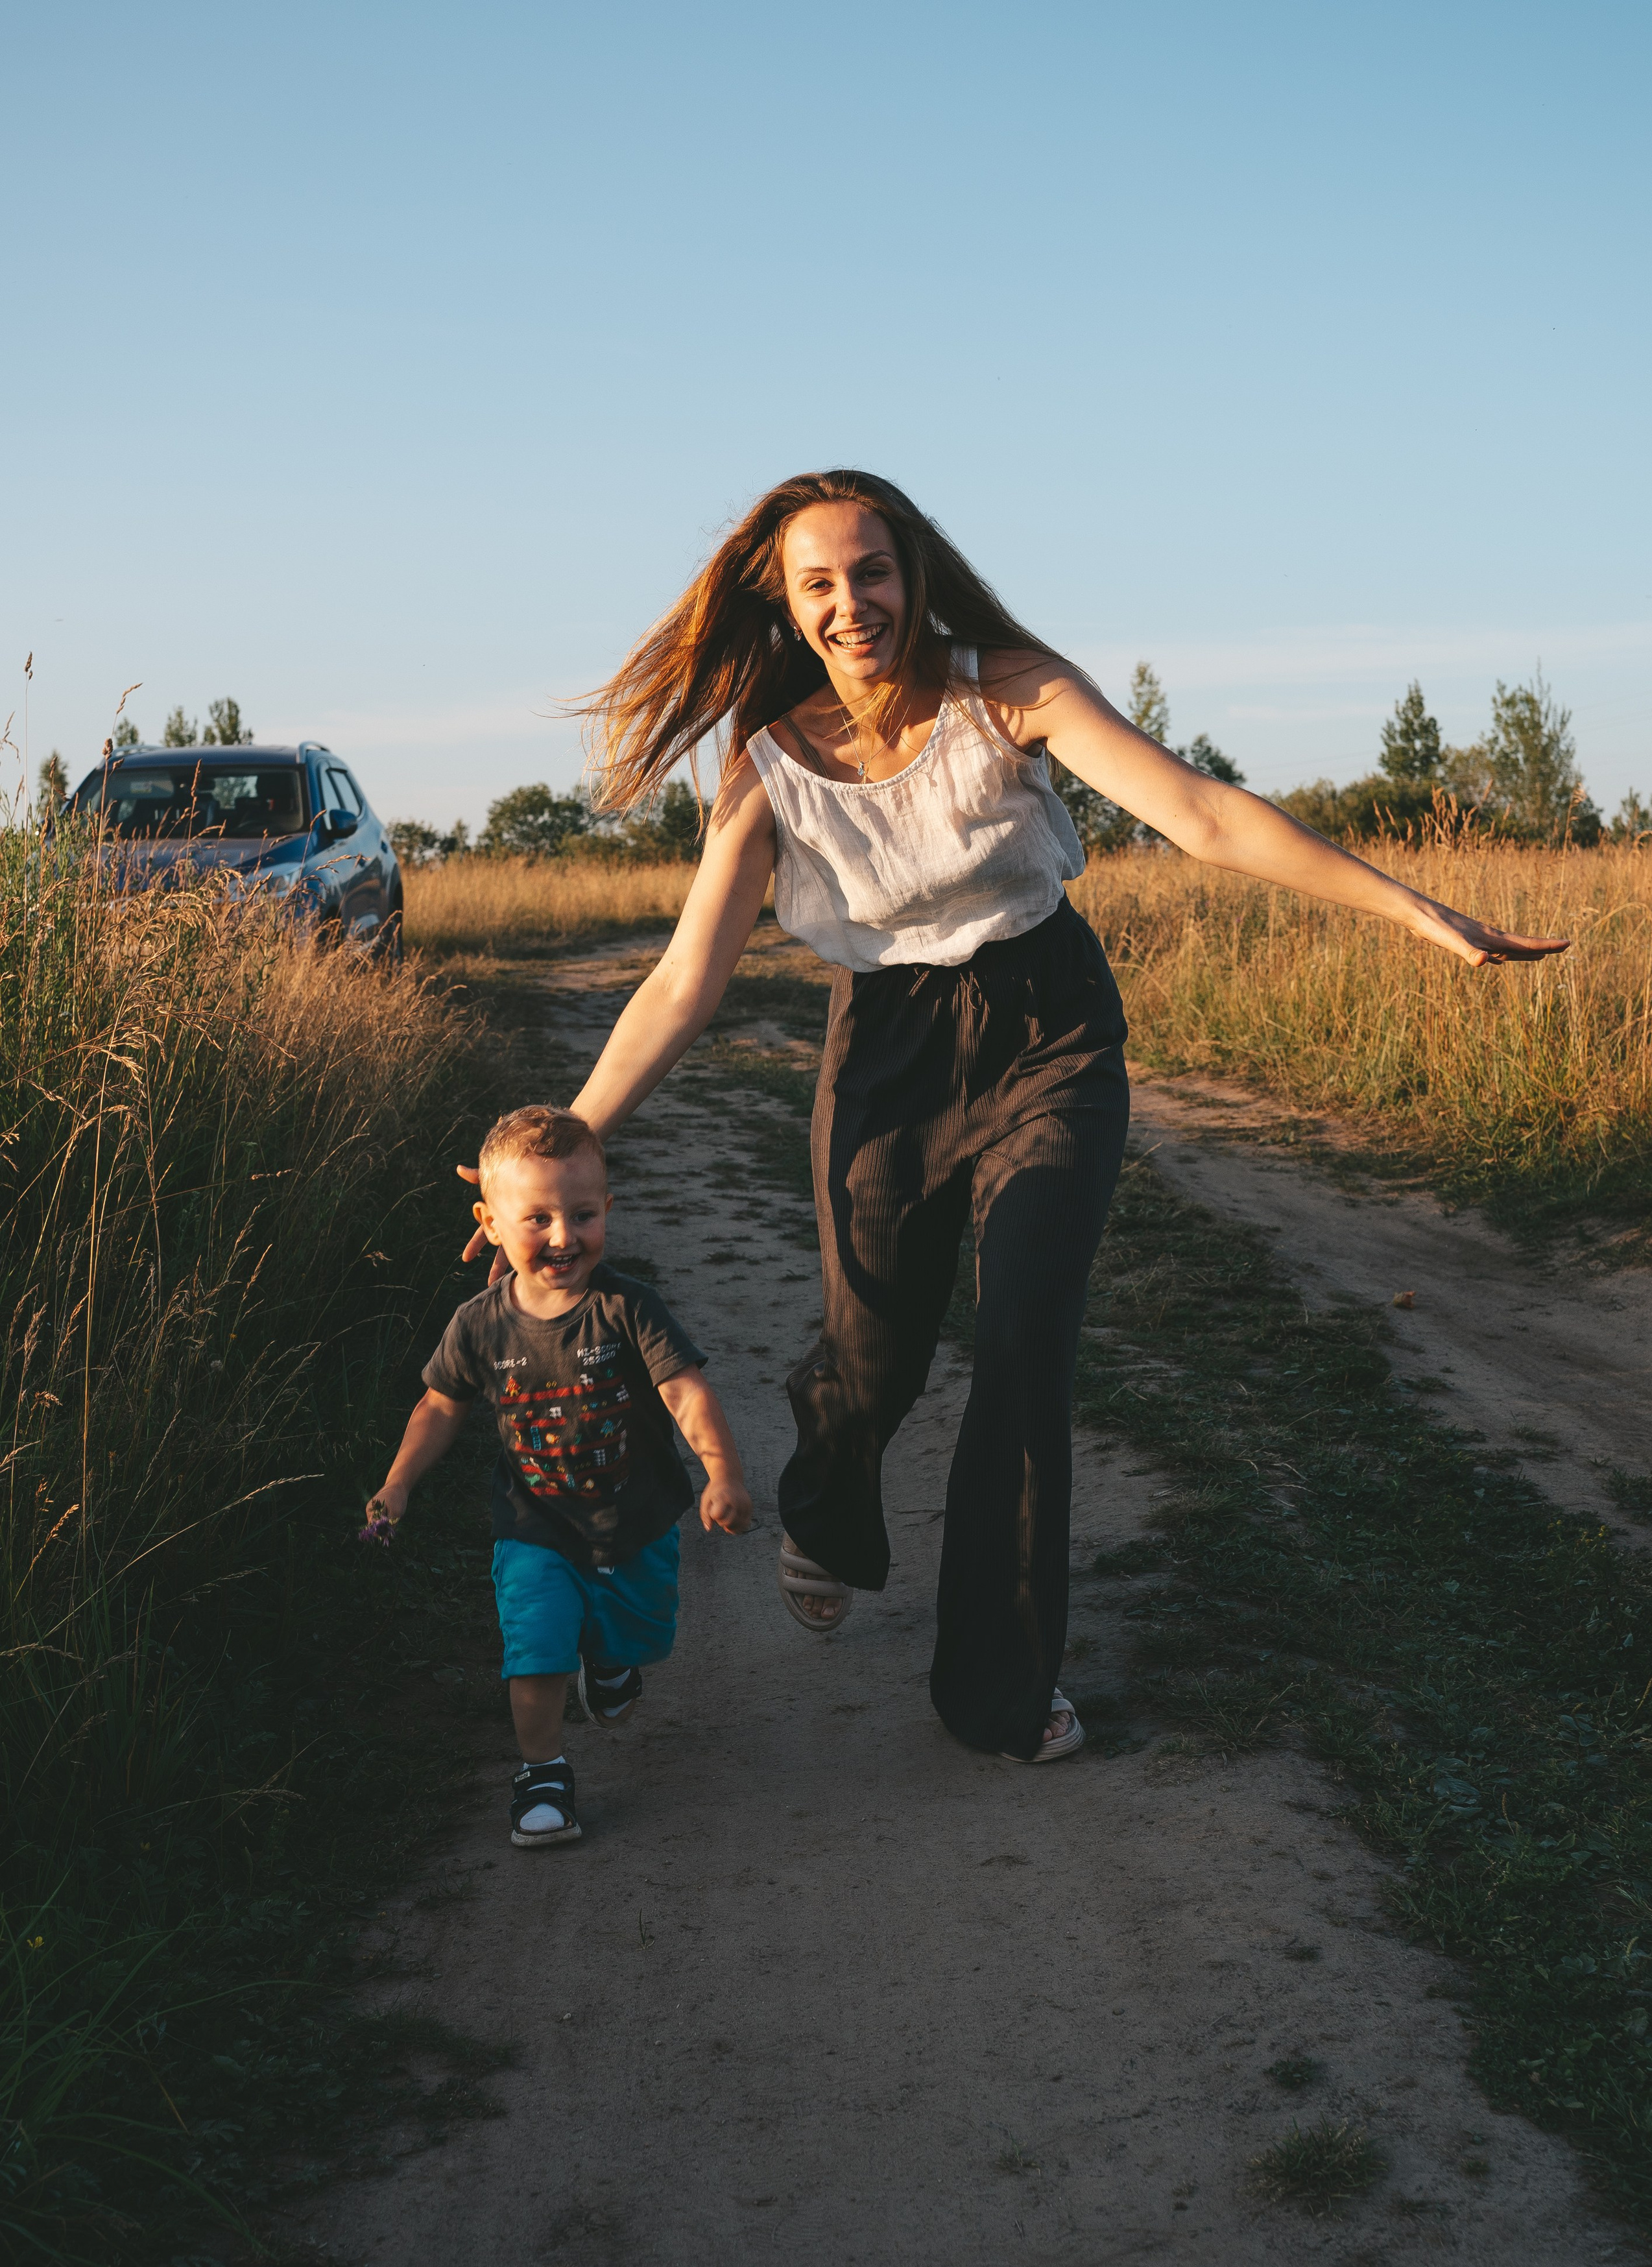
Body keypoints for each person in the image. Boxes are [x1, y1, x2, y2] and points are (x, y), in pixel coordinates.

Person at [464, 468, 1564, 1768]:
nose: (850, 603)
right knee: (873, 1357)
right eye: (817, 583)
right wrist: (566, 1149)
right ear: (784, 603)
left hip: (1048, 1028)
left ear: (912, 571)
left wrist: (1411, 908)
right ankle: (829, 1492)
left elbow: (1200, 812)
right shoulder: (768, 769)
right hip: (887, 1053)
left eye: (870, 571)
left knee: (1024, 1340)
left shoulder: (1011, 690)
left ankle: (998, 1683)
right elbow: (686, 977)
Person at [370, 1107, 752, 1847]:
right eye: (537, 1218)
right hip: (534, 1526)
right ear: (489, 1219)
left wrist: (722, 1473)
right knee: (536, 1647)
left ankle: (610, 1663)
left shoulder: (627, 1308)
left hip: (634, 1521)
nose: (561, 1237)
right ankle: (541, 1773)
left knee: (636, 1635)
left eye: (582, 1215)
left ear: (607, 1210)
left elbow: (685, 1392)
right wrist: (398, 1484)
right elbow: (438, 1407)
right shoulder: (479, 1325)